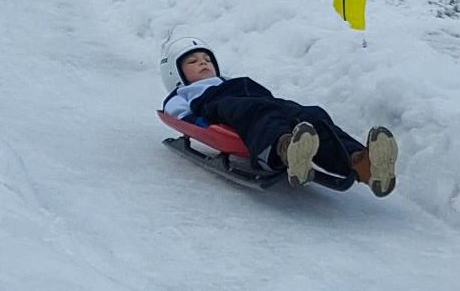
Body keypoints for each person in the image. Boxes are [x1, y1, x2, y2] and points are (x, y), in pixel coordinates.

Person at [159, 37, 398, 196]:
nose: (203, 63)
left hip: (265, 100)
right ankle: (283, 149)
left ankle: (362, 162)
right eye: (192, 61)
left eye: (207, 59)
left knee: (312, 114)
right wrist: (201, 125)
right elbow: (178, 116)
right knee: (259, 113)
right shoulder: (183, 93)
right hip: (220, 105)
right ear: (176, 73)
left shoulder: (229, 79)